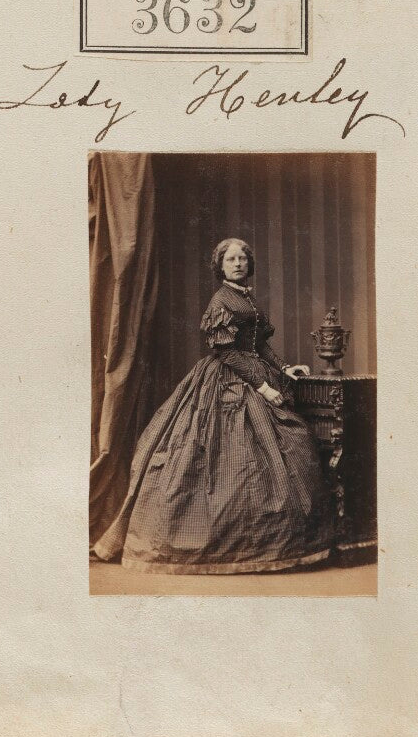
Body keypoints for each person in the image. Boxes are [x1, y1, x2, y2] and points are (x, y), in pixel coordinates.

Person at [92, 238, 334, 573]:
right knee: (226, 462)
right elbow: (228, 353)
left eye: (242, 258)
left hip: (252, 373)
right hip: (229, 381)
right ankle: (220, 549)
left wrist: (284, 368)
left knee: (288, 447)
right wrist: (264, 387)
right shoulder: (221, 300)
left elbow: (259, 345)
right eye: (230, 259)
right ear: (219, 266)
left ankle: (268, 546)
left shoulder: (245, 297)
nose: (238, 264)